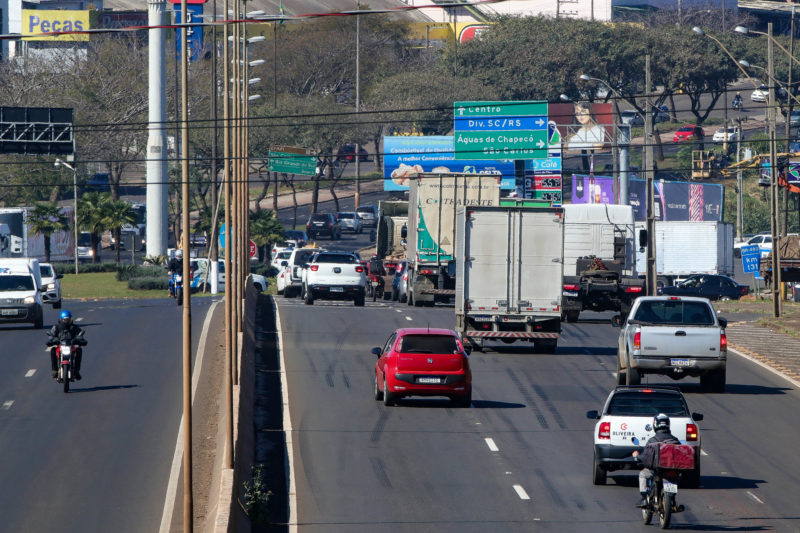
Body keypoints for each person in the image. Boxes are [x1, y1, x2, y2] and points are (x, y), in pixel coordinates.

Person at [632, 413, 681, 507]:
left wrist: (637, 456)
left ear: (655, 425)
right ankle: (673, 501)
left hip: (655, 471)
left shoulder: (652, 441)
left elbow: (645, 457)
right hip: (672, 471)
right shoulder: (675, 440)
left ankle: (644, 499)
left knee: (642, 474)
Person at [47, 310, 87, 380]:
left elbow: (80, 335)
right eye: (65, 320)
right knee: (53, 350)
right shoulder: (56, 327)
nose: (67, 321)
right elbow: (51, 335)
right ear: (61, 319)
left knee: (79, 350)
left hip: (71, 346)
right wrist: (52, 340)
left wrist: (79, 340)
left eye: (68, 319)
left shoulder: (74, 327)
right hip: (60, 345)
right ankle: (55, 370)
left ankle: (76, 370)